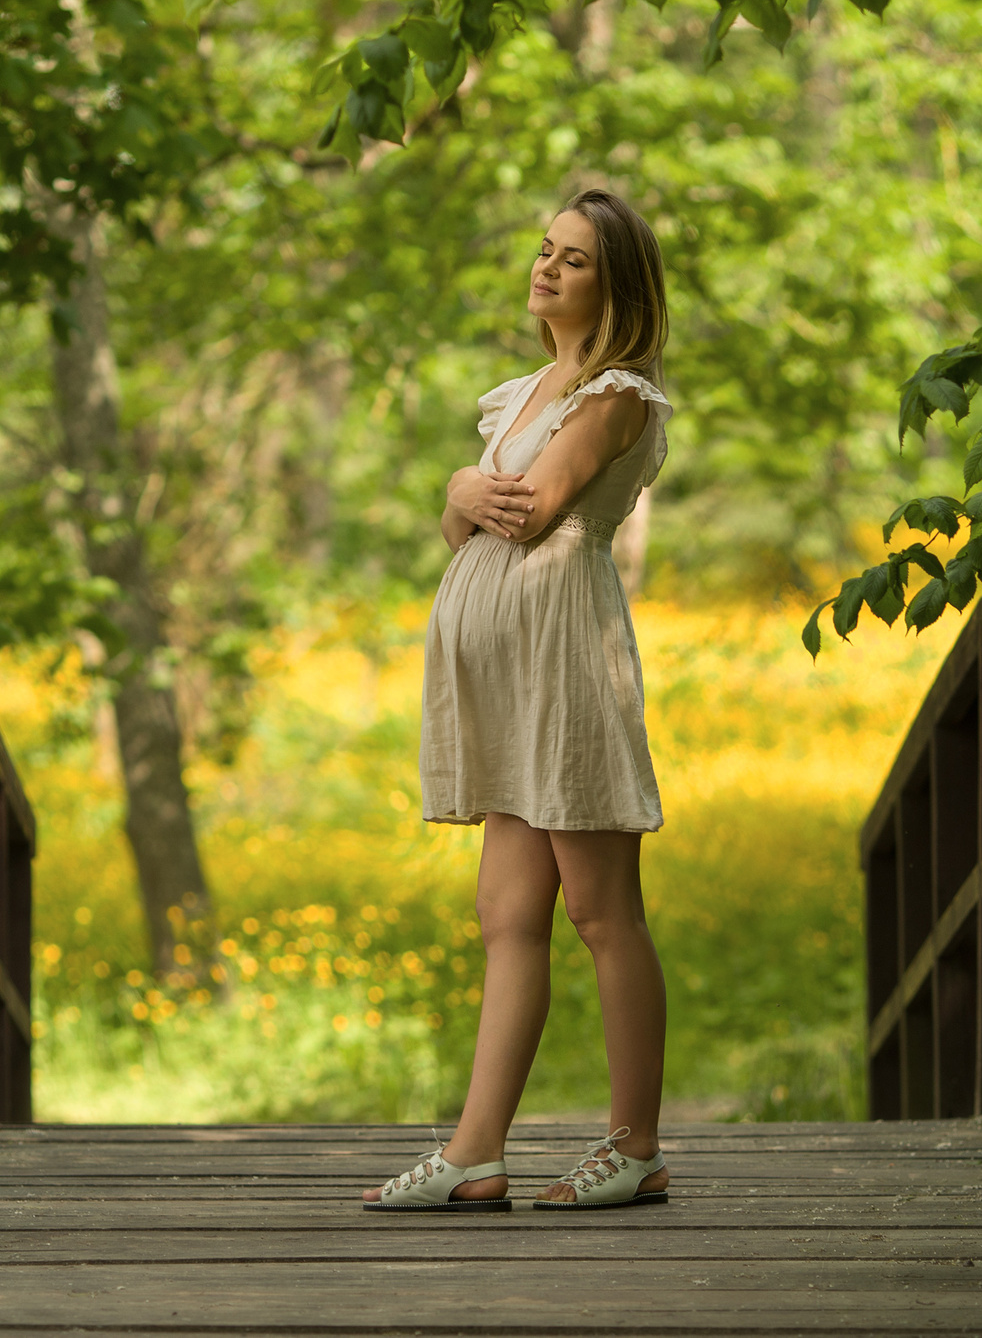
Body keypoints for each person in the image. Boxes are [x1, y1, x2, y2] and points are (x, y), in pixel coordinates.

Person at [360, 188, 674, 1215]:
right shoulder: (525, 392)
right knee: (505, 913)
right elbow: (470, 530)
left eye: (574, 259)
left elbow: (531, 514)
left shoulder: (617, 393)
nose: (546, 268)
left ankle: (634, 1147)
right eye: (545, 251)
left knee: (600, 910)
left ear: (614, 284)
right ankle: (475, 1153)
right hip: (505, 677)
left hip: (565, 663)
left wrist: (468, 494)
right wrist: (458, 492)